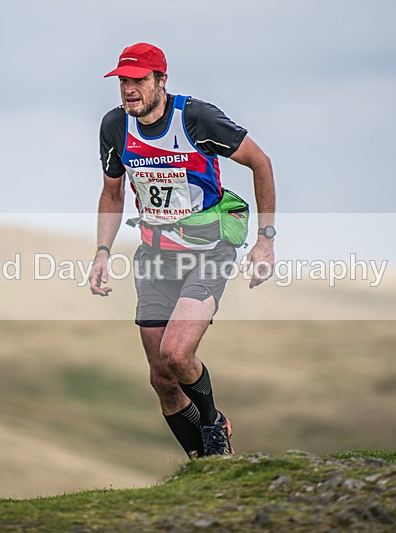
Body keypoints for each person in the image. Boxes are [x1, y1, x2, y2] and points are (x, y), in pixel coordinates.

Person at [89, 42, 275, 458]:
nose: (129, 89)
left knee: (176, 353)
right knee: (161, 378)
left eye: (138, 79)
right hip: (155, 258)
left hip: (208, 252)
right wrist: (103, 250)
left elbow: (261, 162)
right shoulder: (115, 127)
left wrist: (265, 239)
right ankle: (203, 464)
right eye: (123, 80)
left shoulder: (196, 118)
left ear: (160, 80)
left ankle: (214, 427)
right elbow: (112, 192)